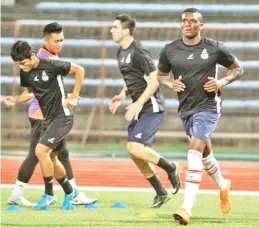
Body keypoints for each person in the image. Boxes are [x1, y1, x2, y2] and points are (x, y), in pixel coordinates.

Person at [157, 8, 242, 225]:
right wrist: (170, 83)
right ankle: (223, 186)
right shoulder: (170, 50)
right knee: (205, 156)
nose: (187, 24)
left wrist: (222, 82)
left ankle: (186, 208)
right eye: (184, 21)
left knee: (194, 152)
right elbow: (161, 75)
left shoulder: (213, 48)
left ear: (201, 25)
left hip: (208, 106)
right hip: (186, 108)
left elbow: (237, 68)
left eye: (193, 21)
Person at [5, 22, 97, 206]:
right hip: (47, 119)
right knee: (55, 157)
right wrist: (15, 100)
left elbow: (79, 70)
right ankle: (71, 194)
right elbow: (28, 93)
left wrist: (75, 96)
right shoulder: (26, 70)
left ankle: (48, 194)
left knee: (40, 152)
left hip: (62, 116)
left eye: (23, 63)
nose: (21, 67)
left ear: (32, 56)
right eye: (18, 64)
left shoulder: (51, 64)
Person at [108, 14, 181, 208]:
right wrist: (122, 94)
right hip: (138, 105)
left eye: (115, 27)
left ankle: (171, 168)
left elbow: (155, 78)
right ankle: (160, 192)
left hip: (151, 106)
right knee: (135, 153)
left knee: (135, 147)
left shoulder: (138, 50)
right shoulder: (119, 52)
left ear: (126, 31)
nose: (111, 30)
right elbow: (131, 77)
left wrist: (139, 103)